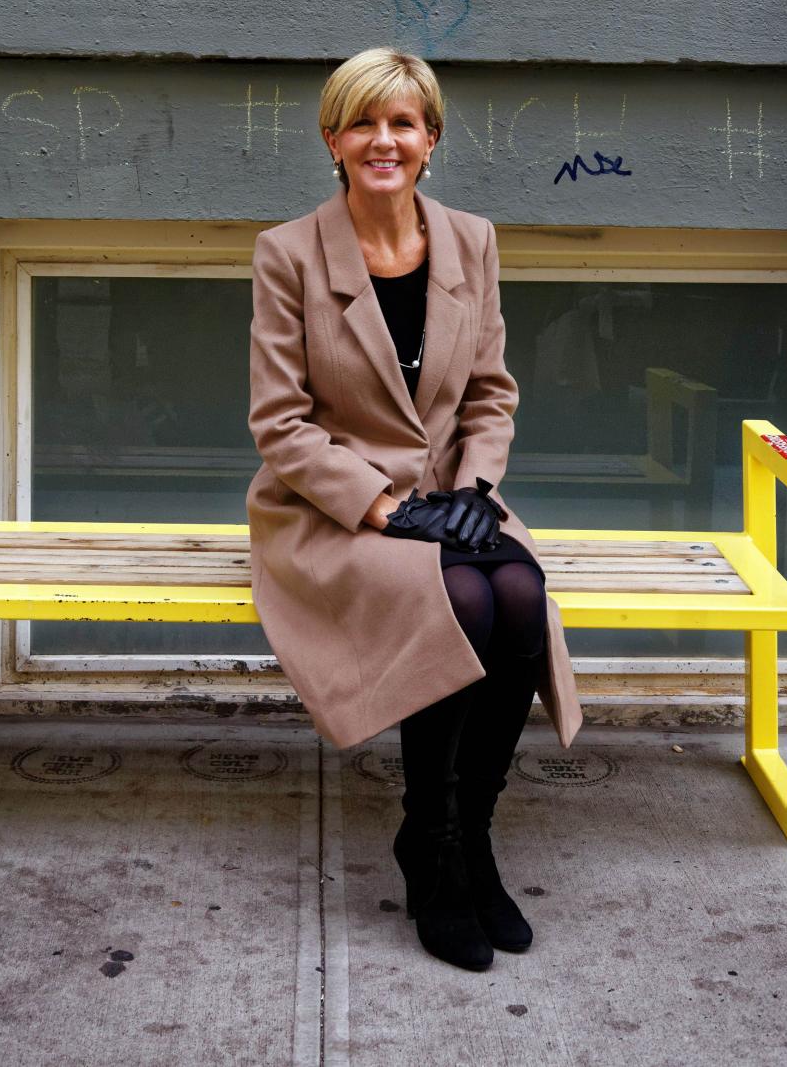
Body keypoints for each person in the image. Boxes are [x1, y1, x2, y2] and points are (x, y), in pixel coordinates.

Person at [246, 48, 582, 973]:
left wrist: (475, 489)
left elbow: (490, 392)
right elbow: (280, 424)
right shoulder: (288, 254)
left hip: (453, 493)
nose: (382, 140)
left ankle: (471, 833)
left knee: (517, 589)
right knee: (462, 601)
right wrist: (388, 509)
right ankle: (430, 849)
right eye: (363, 122)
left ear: (431, 140)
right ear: (333, 139)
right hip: (333, 508)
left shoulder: (471, 240)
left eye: (402, 123)